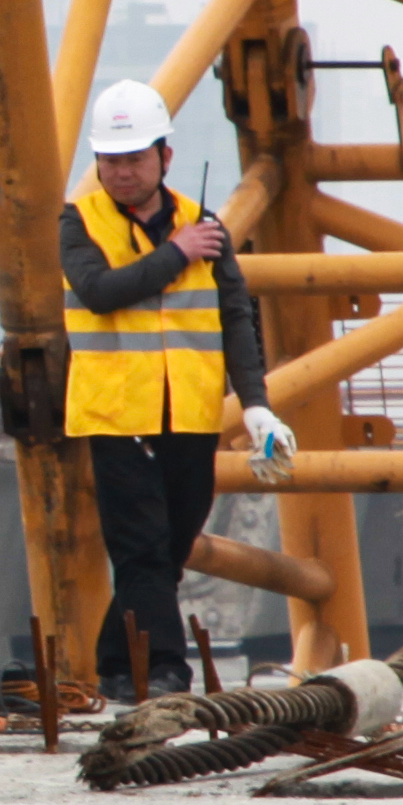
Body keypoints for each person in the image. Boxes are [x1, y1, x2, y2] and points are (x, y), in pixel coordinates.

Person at [62, 78, 293, 698]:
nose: (122, 173)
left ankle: (115, 662)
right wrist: (176, 252)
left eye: (134, 159)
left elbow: (235, 319)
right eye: (110, 161)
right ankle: (164, 671)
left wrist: (259, 409)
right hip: (115, 416)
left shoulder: (204, 226)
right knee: (139, 547)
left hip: (189, 417)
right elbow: (100, 291)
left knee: (171, 545)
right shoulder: (78, 223)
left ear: (165, 156)